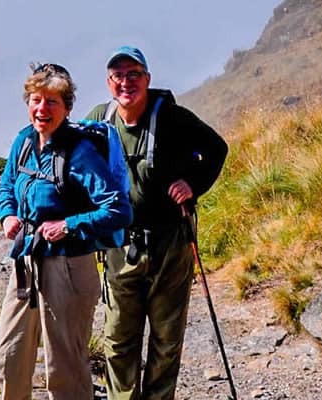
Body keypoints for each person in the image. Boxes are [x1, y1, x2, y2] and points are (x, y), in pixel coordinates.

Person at [84, 46, 228, 400]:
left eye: (134, 74)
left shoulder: (172, 118)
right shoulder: (99, 122)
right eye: (118, 75)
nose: (126, 82)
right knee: (118, 338)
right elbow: (72, 158)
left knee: (166, 339)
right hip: (121, 246)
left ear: (147, 79)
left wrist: (192, 183)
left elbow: (215, 149)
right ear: (109, 82)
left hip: (171, 243)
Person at [0, 63, 131, 400]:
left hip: (69, 266)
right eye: (36, 100)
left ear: (67, 108)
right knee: (8, 356)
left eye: (53, 102)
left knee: (64, 368)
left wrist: (69, 224)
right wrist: (7, 215)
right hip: (26, 263)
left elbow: (117, 209)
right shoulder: (24, 141)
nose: (42, 109)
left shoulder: (79, 151)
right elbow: (7, 186)